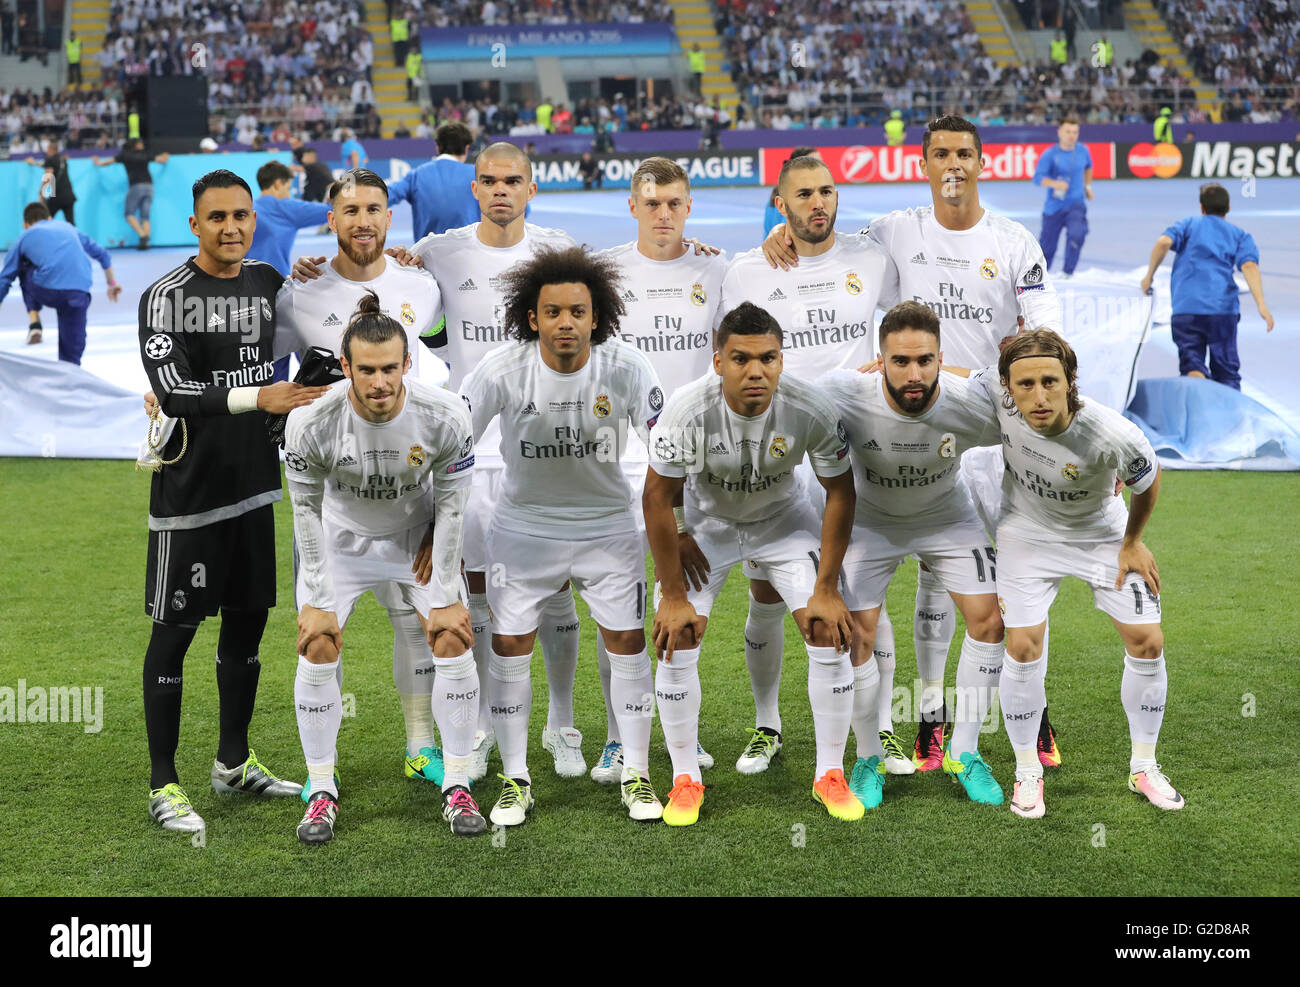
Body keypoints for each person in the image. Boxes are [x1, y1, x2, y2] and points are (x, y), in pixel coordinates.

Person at [763, 115, 1064, 774]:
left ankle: (1031, 711)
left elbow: (1046, 343)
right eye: (939, 154)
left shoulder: (1015, 244)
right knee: (936, 574)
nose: (951, 163)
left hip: (991, 434)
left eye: (963, 153)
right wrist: (780, 232)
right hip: (912, 430)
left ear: (982, 162)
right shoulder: (895, 233)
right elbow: (825, 242)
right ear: (922, 164)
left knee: (1019, 583)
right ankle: (933, 716)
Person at [136, 169, 330, 835]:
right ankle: (164, 781)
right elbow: (176, 391)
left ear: (255, 219)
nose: (231, 227)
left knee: (246, 630)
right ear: (194, 225)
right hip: (190, 497)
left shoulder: (270, 284)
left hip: (255, 489)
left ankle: (232, 761)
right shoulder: (165, 297)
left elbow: (315, 345)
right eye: (216, 217)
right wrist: (261, 397)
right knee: (174, 636)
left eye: (241, 215)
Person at [460, 246, 666, 825]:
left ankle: (637, 774)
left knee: (626, 642)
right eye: (553, 312)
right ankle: (515, 777)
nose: (566, 323)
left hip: (607, 529)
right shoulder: (502, 369)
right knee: (509, 646)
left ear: (597, 316)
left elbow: (667, 447)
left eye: (578, 311)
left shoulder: (626, 367)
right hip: (523, 530)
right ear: (533, 317)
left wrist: (677, 521)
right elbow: (456, 444)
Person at [645, 301, 859, 825]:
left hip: (784, 523)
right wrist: (674, 584)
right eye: (741, 358)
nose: (756, 371)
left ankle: (829, 774)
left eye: (768, 358)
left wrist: (827, 587)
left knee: (826, 628)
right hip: (707, 527)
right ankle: (685, 778)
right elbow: (656, 495)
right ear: (718, 361)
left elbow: (840, 491)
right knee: (678, 638)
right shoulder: (686, 409)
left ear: (782, 361)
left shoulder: (810, 408)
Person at [285, 292, 485, 843]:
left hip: (410, 540)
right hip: (340, 544)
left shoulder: (446, 414)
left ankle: (459, 784)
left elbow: (452, 503)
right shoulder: (309, 423)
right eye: (366, 370)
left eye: (390, 369)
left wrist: (444, 586)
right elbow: (304, 509)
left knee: (451, 636)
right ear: (345, 367)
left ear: (408, 364)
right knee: (318, 643)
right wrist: (320, 600)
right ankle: (321, 788)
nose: (379, 383)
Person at [965, 330, 1182, 818]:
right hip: (1027, 534)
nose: (1038, 397)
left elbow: (1148, 481)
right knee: (1022, 646)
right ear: (1006, 387)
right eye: (1024, 385)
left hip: (1101, 536)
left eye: (1049, 382)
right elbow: (951, 378)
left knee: (1147, 640)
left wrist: (1131, 542)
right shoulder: (999, 399)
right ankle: (1027, 772)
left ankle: (1144, 766)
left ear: (1070, 381)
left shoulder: (1111, 433)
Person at [722, 152, 891, 775]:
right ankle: (767, 723)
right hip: (778, 456)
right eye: (802, 195)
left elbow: (904, 323)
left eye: (826, 191)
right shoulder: (747, 271)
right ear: (780, 203)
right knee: (766, 591)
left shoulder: (873, 257)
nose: (817, 203)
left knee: (863, 591)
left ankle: (879, 734)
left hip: (857, 453)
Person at [818, 301, 1006, 811]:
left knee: (989, 623)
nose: (914, 373)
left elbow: (1040, 414)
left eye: (925, 360)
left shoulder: (971, 404)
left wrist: (1108, 466)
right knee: (854, 634)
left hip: (948, 518)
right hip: (870, 524)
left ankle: (964, 753)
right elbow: (781, 403)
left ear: (942, 358)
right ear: (879, 361)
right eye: (900, 361)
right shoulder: (843, 393)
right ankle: (868, 757)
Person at [588, 156, 727, 782]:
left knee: (689, 593)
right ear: (633, 207)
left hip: (697, 458)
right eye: (652, 203)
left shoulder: (718, 270)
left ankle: (681, 734)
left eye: (674, 202)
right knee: (618, 598)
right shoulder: (605, 274)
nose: (664, 214)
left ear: (689, 205)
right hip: (618, 457)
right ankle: (620, 736)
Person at [1139, 182, 1273, 389]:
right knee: (1226, 371)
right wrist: (1261, 304)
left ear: (1201, 207)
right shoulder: (1239, 235)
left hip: (1186, 309)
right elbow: (1248, 265)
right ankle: (1229, 414)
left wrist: (1149, 276)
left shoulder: (1187, 225)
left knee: (1192, 366)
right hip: (1222, 310)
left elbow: (1164, 242)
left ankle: (1197, 406)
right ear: (1228, 207)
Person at [0, 201, 121, 362]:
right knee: (71, 355)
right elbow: (103, 255)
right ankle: (70, 372)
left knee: (22, 265)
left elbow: (5, 278)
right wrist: (112, 284)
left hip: (46, 290)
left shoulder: (24, 237)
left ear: (25, 224)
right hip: (79, 291)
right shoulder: (69, 227)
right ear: (50, 218)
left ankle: (34, 320)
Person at [386, 121, 478, 239]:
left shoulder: (416, 175)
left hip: (424, 255)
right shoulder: (478, 175)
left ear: (438, 147)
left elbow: (385, 195)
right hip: (470, 253)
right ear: (466, 149)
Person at [1032, 116, 1093, 278]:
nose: (1071, 135)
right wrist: (1054, 184)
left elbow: (1088, 168)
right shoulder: (1050, 154)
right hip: (1054, 207)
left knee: (1077, 235)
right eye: (1068, 132)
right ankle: (1041, 276)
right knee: (1047, 247)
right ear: (1060, 132)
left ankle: (1068, 273)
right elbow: (1037, 178)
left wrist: (1087, 186)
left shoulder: (1083, 150)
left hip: (1076, 205)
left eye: (1075, 132)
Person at [248, 161, 330, 279]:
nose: (288, 195)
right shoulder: (285, 207)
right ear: (278, 184)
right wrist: (335, 198)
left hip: (245, 282)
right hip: (277, 282)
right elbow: (332, 211)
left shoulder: (246, 209)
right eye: (288, 188)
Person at [92, 138, 170, 250]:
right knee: (145, 216)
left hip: (136, 186)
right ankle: (146, 242)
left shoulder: (125, 155)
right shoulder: (145, 154)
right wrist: (165, 155)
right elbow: (162, 160)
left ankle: (143, 236)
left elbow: (110, 162)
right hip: (149, 187)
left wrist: (98, 163)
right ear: (137, 145)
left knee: (129, 214)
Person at [26, 141, 76, 224]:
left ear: (50, 149)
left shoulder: (50, 159)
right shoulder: (62, 159)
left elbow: (49, 173)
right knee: (71, 222)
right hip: (68, 195)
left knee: (47, 219)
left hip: (56, 196)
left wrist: (42, 191)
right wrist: (34, 163)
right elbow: (48, 166)